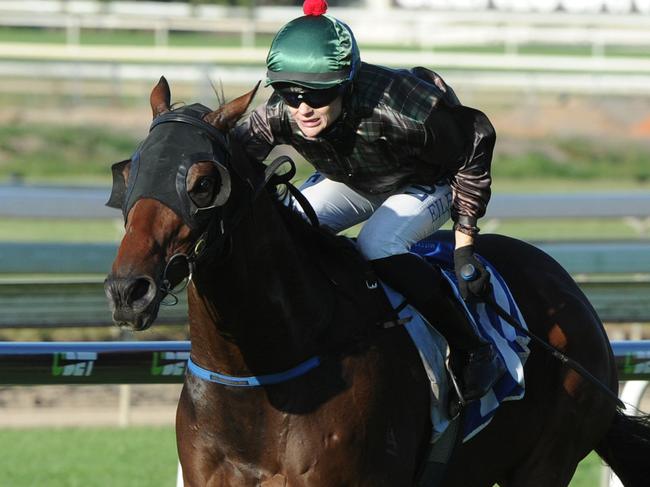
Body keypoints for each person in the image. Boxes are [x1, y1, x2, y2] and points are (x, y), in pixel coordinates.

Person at [233, 0, 505, 401]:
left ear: (345, 85)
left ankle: (473, 347)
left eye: (318, 94)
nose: (303, 108)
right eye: (290, 95)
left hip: (427, 180)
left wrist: (465, 246)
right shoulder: (282, 114)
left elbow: (475, 140)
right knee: (285, 228)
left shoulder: (407, 109)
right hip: (354, 179)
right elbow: (229, 159)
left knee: (376, 244)